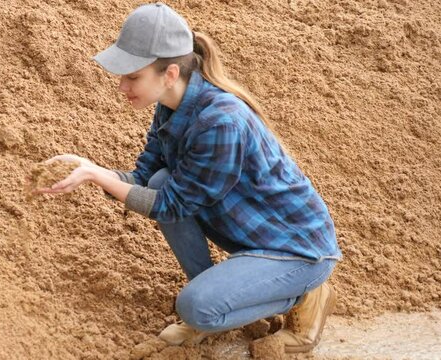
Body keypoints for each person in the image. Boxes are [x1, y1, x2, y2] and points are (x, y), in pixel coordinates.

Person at [35, 2, 341, 353]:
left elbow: (171, 206)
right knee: (160, 180)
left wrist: (97, 176)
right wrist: (88, 169)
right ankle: (222, 299)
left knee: (196, 307)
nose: (122, 86)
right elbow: (145, 179)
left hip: (295, 249)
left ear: (169, 74)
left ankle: (306, 294)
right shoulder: (170, 105)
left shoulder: (221, 121)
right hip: (254, 237)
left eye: (132, 76)